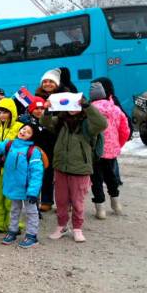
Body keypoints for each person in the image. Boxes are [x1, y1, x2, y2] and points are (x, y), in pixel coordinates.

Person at [42, 97, 107, 242]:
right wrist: (47, 109)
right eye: (70, 104)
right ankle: (62, 226)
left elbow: (102, 123)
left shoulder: (88, 124)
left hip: (80, 169)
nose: (72, 108)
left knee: (77, 201)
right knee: (61, 201)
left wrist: (87, 106)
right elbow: (44, 122)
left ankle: (77, 228)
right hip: (60, 168)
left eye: (76, 104)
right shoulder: (60, 122)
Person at [0, 123, 44, 248]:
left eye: (28, 132)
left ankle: (32, 235)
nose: (24, 131)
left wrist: (33, 191)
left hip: (27, 188)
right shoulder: (10, 144)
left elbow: (37, 173)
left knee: (31, 212)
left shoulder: (33, 151)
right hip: (14, 186)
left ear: (32, 137)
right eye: (23, 129)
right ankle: (12, 230)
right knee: (14, 210)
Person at [89, 81, 130, 219]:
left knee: (96, 179)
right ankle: (116, 203)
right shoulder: (116, 109)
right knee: (111, 176)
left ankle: (100, 209)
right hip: (111, 151)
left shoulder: (89, 110)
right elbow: (125, 130)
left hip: (94, 151)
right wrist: (118, 144)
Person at [0, 98, 24, 234]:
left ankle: (13, 223)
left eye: (5, 112)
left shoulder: (19, 127)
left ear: (12, 113)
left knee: (11, 198)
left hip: (12, 168)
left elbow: (21, 145)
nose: (1, 115)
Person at [19, 97, 56, 212]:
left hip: (48, 155)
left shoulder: (49, 123)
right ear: (31, 110)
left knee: (47, 179)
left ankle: (47, 201)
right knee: (34, 178)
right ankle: (34, 200)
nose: (39, 111)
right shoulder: (28, 124)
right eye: (36, 108)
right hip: (33, 156)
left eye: (41, 108)